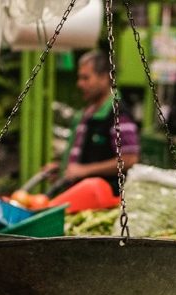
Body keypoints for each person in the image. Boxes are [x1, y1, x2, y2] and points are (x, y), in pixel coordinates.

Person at [48, 50, 140, 195]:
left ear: (104, 78)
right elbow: (83, 157)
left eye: (86, 78)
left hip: (102, 199)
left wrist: (84, 170)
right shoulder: (87, 113)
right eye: (79, 78)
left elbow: (129, 159)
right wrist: (61, 169)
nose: (80, 84)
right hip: (80, 195)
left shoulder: (118, 114)